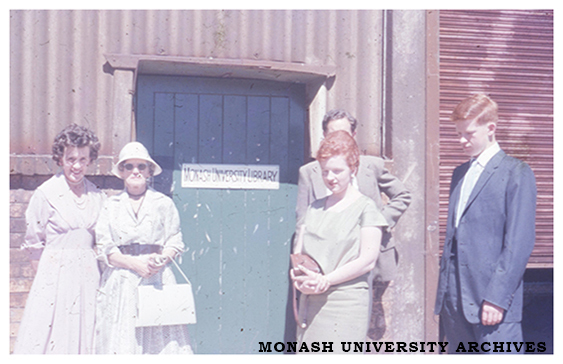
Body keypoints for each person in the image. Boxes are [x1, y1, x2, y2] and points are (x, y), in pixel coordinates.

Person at [434, 94, 537, 353]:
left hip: (491, 304)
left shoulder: (516, 173)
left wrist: (497, 298)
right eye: (458, 133)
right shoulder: (459, 174)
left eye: (468, 133)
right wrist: (446, 298)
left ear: (491, 128)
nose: (461, 140)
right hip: (454, 303)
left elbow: (518, 244)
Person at [290, 130, 388, 352]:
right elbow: (299, 253)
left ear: (353, 168)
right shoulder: (314, 207)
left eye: (337, 171)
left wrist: (326, 280)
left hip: (346, 303)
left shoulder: (366, 208)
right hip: (311, 302)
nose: (330, 177)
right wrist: (298, 277)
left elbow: (367, 260)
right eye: (325, 172)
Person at [94, 141, 193, 354]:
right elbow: (103, 246)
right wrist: (134, 264)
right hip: (122, 280)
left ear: (149, 171)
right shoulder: (110, 205)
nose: (135, 171)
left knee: (161, 345)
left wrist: (163, 259)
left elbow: (175, 240)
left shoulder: (163, 203)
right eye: (129, 166)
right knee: (123, 342)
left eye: (141, 166)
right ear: (121, 171)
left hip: (157, 279)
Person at [14, 124, 105, 354]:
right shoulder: (46, 194)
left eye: (83, 159)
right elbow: (34, 244)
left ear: (90, 160)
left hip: (87, 274)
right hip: (54, 274)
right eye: (71, 158)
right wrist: (48, 281)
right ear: (60, 158)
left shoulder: (97, 194)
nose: (77, 165)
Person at [296, 109, 410, 282]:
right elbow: (302, 220)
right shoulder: (309, 172)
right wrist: (301, 263)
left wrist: (378, 222)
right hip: (328, 258)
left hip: (372, 257)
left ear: (354, 134)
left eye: (344, 133)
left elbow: (402, 195)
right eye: (332, 134)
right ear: (324, 135)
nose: (338, 139)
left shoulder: (372, 166)